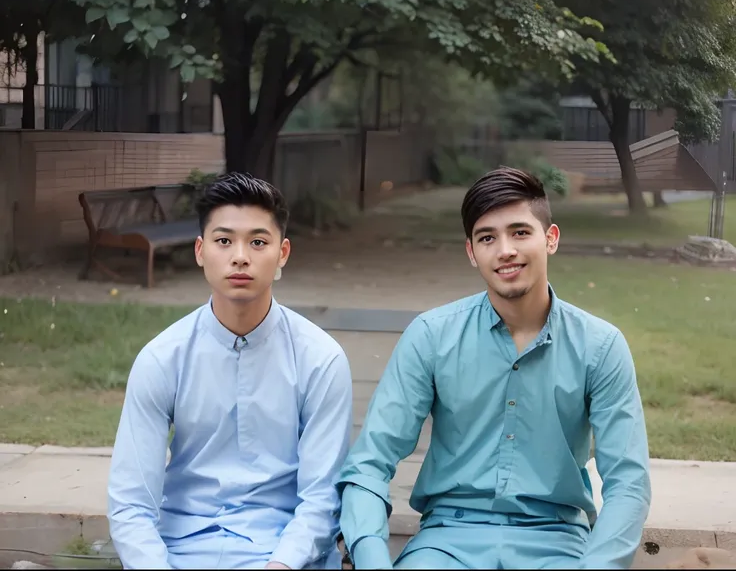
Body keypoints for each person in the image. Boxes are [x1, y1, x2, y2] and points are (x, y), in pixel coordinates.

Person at [337, 167, 651, 570]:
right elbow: (370, 463)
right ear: (471, 252)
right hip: (446, 542)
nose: (505, 250)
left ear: (550, 239)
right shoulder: (431, 335)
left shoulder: (601, 346)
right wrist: (371, 558)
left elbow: (629, 482)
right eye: (488, 237)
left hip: (557, 541)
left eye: (520, 232)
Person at [108, 172, 353, 570]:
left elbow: (322, 497)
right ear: (201, 251)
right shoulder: (161, 358)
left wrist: (282, 564)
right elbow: (131, 501)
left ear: (283, 253)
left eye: (258, 242)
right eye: (224, 241)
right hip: (181, 548)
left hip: (283, 552)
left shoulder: (320, 359)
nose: (240, 256)